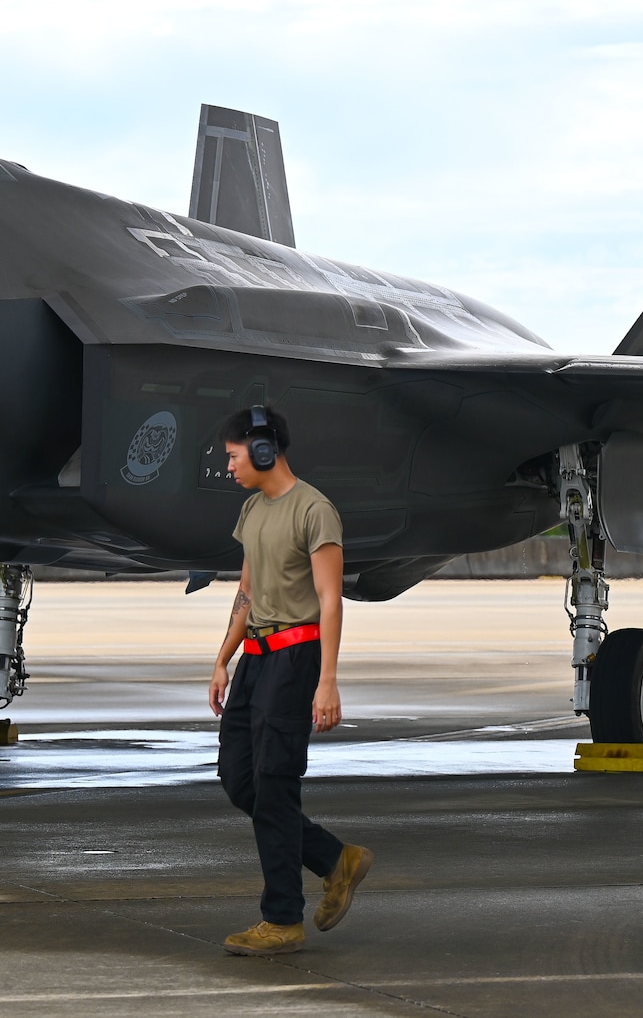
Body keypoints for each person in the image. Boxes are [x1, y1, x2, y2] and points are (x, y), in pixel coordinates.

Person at [208, 406, 373, 956]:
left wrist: (328, 680)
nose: (228, 467)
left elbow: (330, 601)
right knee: (240, 779)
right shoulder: (253, 511)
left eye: (233, 456)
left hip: (296, 656)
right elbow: (247, 593)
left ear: (262, 451)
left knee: (275, 786)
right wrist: (223, 659)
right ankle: (334, 859)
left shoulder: (314, 510)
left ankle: (282, 919)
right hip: (255, 659)